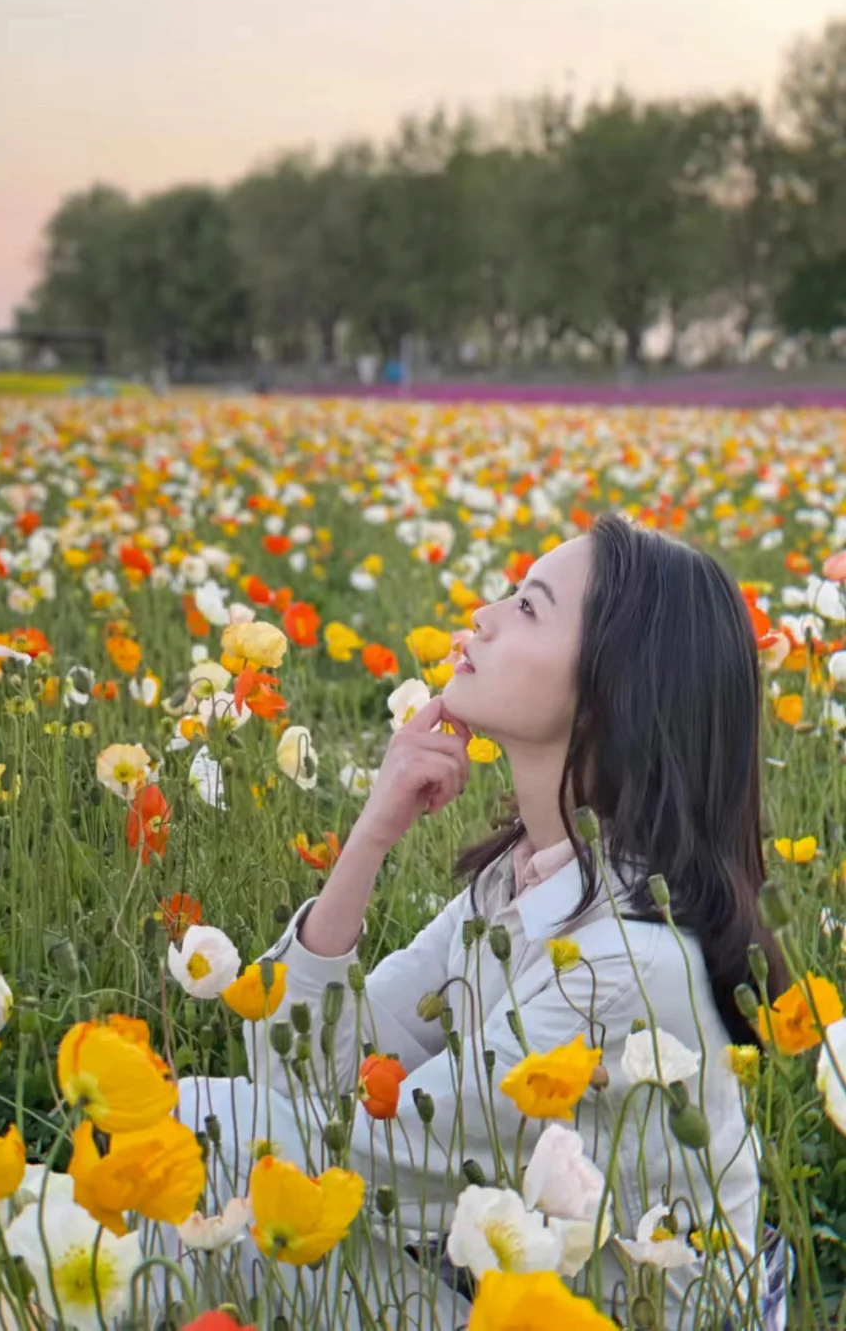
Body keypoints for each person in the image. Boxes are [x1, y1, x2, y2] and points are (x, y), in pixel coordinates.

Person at [170, 513, 785, 1328]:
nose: (483, 616)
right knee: (204, 1170)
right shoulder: (523, 882)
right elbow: (305, 1072)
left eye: (528, 606)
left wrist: (171, 1119)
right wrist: (371, 833)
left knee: (207, 1155)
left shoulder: (621, 965)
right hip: (499, 1294)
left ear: (610, 693)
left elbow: (350, 1160)